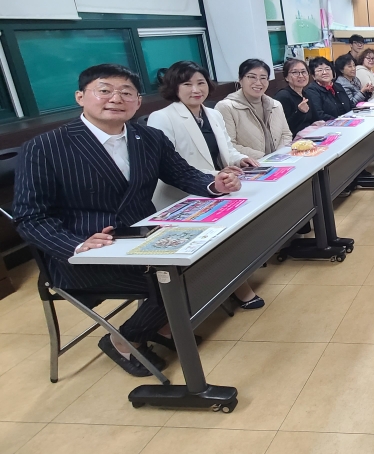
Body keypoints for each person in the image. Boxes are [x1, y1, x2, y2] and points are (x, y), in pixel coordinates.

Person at [12, 64, 242, 376]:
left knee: (212, 261)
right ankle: (122, 341)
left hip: (143, 237)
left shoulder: (148, 137)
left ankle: (159, 329)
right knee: (176, 281)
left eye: (127, 92)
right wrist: (75, 244)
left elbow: (182, 174)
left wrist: (215, 185)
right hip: (86, 253)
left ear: (137, 102)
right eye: (104, 90)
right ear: (81, 97)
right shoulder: (45, 147)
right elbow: (30, 217)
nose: (116, 98)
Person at [147, 62, 265, 311]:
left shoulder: (212, 114)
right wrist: (216, 174)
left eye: (200, 82)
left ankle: (231, 282)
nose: (195, 89)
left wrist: (238, 160)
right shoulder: (162, 117)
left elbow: (227, 150)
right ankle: (232, 287)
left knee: (240, 228)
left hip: (217, 187)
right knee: (223, 237)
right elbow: (172, 166)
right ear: (174, 88)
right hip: (180, 195)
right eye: (187, 84)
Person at [216, 58, 294, 159]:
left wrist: (278, 156)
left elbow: (286, 134)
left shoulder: (275, 105)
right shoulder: (226, 107)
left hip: (280, 162)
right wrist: (265, 158)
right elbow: (229, 145)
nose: (258, 83)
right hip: (247, 167)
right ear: (240, 80)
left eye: (263, 78)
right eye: (252, 77)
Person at [274, 58, 323, 137]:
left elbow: (315, 118)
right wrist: (299, 112)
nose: (301, 76)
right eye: (295, 73)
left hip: (310, 136)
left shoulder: (306, 94)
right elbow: (284, 129)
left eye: (304, 72)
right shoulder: (283, 96)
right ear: (286, 77)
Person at [304, 56, 354, 121]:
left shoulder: (337, 86)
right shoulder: (312, 91)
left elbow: (350, 105)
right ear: (313, 76)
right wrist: (340, 120)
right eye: (320, 70)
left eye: (327, 69)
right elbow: (319, 115)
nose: (325, 72)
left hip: (348, 121)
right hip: (330, 125)